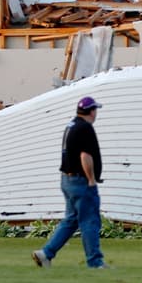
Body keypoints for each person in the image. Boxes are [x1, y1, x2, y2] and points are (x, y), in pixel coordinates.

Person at [32, 96, 109, 269]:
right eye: (95, 110)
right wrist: (91, 179)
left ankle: (46, 254)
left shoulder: (71, 126)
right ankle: (95, 262)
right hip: (81, 181)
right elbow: (85, 156)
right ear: (91, 111)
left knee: (71, 220)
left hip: (66, 179)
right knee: (90, 220)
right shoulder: (85, 128)